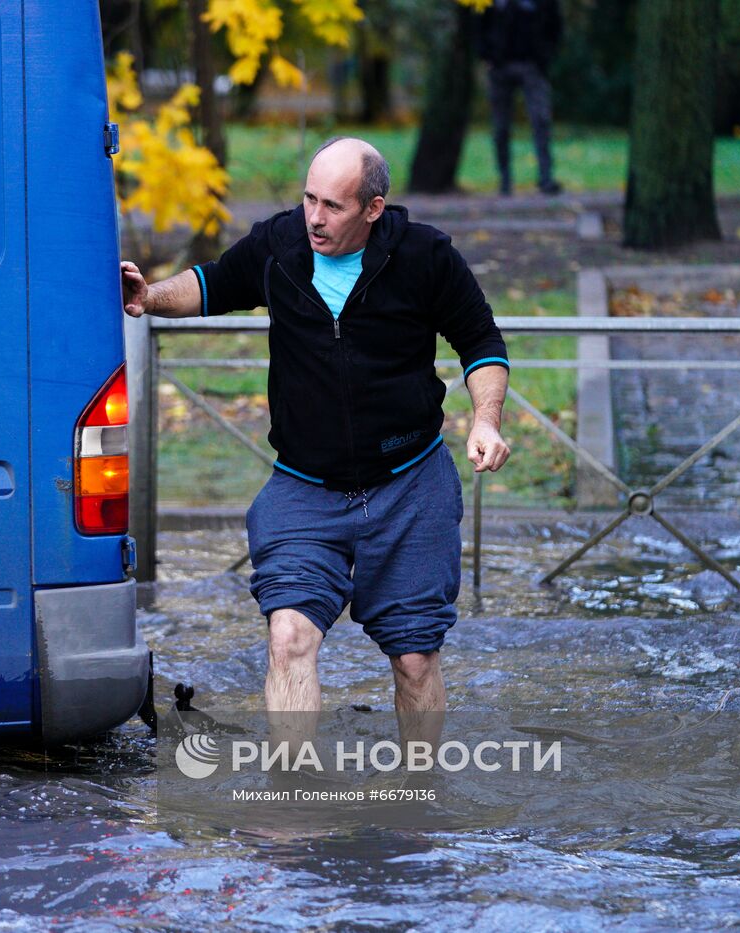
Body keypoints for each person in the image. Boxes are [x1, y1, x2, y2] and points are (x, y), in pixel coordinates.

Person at [120, 138, 510, 752]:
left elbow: (481, 343)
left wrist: (485, 419)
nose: (314, 217)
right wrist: (151, 298)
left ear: (374, 208)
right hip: (304, 487)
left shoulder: (425, 256)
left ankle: (417, 795)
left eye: (332, 204)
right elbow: (214, 283)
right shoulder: (280, 246)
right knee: (289, 637)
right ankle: (292, 796)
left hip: (411, 483)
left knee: (414, 661)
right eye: (308, 198)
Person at [477, 0, 563, 196]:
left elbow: (555, 26)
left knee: (541, 121)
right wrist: (486, 56)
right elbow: (480, 24)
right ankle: (505, 181)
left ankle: (545, 178)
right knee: (501, 127)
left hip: (532, 65)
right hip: (499, 66)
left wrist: (545, 57)